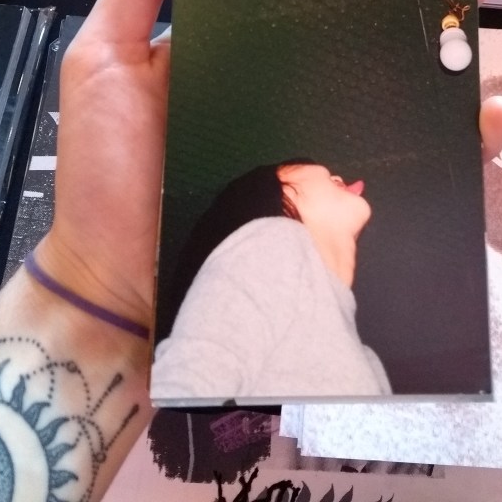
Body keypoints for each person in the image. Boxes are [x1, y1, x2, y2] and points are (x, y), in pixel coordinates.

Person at [0, 0, 502, 500]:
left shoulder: (298, 272)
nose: (339, 171)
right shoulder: (275, 248)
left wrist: (93, 293)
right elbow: (196, 367)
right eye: (321, 169)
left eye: (320, 169)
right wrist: (92, 286)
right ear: (282, 200)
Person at [152, 160, 390, 401]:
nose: (338, 176)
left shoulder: (366, 357)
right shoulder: (276, 240)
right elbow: (190, 379)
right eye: (327, 175)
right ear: (273, 195)